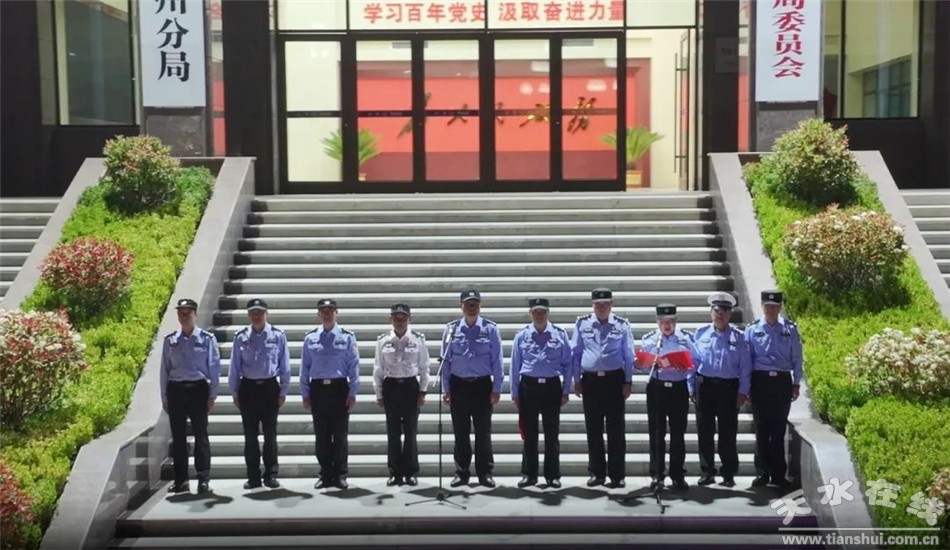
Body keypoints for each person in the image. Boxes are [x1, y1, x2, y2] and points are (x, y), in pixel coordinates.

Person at [571, 287, 634, 489]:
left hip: (614, 381)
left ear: (611, 305)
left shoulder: (622, 325)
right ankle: (597, 473)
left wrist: (628, 381)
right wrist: (576, 380)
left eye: (606, 304)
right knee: (594, 429)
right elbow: (575, 354)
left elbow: (629, 355)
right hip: (591, 382)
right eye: (598, 304)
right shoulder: (582, 324)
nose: (602, 307)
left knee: (616, 430)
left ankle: (617, 475)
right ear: (593, 305)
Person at [441, 289, 504, 488]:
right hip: (458, 385)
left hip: (482, 385)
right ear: (461, 306)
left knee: (483, 432)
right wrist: (446, 388)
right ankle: (461, 472)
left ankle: (485, 473)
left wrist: (497, 387)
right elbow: (445, 361)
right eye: (468, 303)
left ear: (480, 306)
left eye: (475, 303)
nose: (471, 307)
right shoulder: (451, 329)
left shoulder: (490, 329)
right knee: (460, 432)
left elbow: (498, 360)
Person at [228, 298, 291, 490]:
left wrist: (284, 390)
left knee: (270, 435)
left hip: (270, 388)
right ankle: (253, 476)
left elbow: (285, 365)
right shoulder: (240, 337)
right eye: (253, 313)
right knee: (250, 436)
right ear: (248, 315)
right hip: (248, 389)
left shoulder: (278, 335)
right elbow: (234, 367)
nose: (256, 316)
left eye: (260, 312)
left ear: (266, 314)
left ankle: (271, 474)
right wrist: (234, 392)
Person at [637, 304, 701, 491]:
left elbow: (697, 360)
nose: (667, 325)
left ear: (676, 321)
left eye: (670, 321)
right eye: (663, 322)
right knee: (657, 433)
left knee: (678, 434)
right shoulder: (650, 339)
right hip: (657, 388)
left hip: (678, 388)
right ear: (657, 322)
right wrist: (646, 364)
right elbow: (640, 363)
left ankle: (677, 475)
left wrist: (686, 366)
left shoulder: (685, 339)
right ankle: (657, 475)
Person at [161, 298, 221, 494]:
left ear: (195, 314)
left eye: (188, 313)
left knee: (201, 436)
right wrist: (164, 397)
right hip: (176, 390)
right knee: (178, 438)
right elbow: (164, 371)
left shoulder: (206, 339)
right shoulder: (171, 340)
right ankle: (181, 480)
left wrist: (212, 395)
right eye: (181, 313)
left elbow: (214, 368)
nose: (184, 316)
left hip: (198, 390)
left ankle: (203, 478)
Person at [510, 297, 572, 489]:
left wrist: (566, 390)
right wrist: (514, 392)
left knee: (552, 434)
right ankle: (529, 474)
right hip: (528, 386)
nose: (539, 314)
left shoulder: (560, 334)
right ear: (530, 313)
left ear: (548, 313)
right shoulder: (521, 336)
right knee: (529, 434)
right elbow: (514, 365)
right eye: (536, 311)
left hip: (551, 386)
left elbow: (568, 364)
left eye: (542, 311)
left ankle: (552, 475)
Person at [692, 292, 752, 488]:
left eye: (725, 311)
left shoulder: (739, 337)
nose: (720, 315)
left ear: (730, 314)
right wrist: (691, 387)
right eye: (717, 311)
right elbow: (693, 364)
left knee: (728, 433)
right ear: (711, 312)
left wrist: (743, 392)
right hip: (705, 387)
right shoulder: (700, 334)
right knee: (705, 432)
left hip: (728, 389)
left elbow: (745, 368)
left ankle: (728, 473)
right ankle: (707, 471)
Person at [300, 298, 360, 490]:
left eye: (330, 310)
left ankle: (340, 474)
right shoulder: (310, 338)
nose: (327, 314)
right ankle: (325, 474)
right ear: (318, 314)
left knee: (340, 435)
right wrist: (305, 393)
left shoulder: (347, 337)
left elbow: (353, 365)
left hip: (339, 388)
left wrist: (352, 392)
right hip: (318, 389)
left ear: (336, 313)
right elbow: (304, 367)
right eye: (323, 311)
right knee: (322, 435)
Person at [745, 290, 803, 488]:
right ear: (762, 307)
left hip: (781, 382)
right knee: (761, 429)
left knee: (778, 429)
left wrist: (797, 382)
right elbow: (747, 360)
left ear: (780, 307)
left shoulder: (789, 329)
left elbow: (797, 357)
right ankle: (762, 472)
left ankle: (778, 474)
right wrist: (746, 386)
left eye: (774, 306)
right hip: (760, 381)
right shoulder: (752, 329)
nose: (771, 309)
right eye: (767, 306)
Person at [373, 303, 430, 487]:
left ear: (409, 319)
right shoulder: (383, 340)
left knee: (411, 432)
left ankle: (411, 472)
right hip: (391, 387)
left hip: (410, 387)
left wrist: (422, 390)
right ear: (390, 319)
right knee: (393, 432)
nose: (399, 321)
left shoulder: (418, 339)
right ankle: (395, 472)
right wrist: (379, 393)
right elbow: (378, 368)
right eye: (396, 317)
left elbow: (424, 367)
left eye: (403, 317)